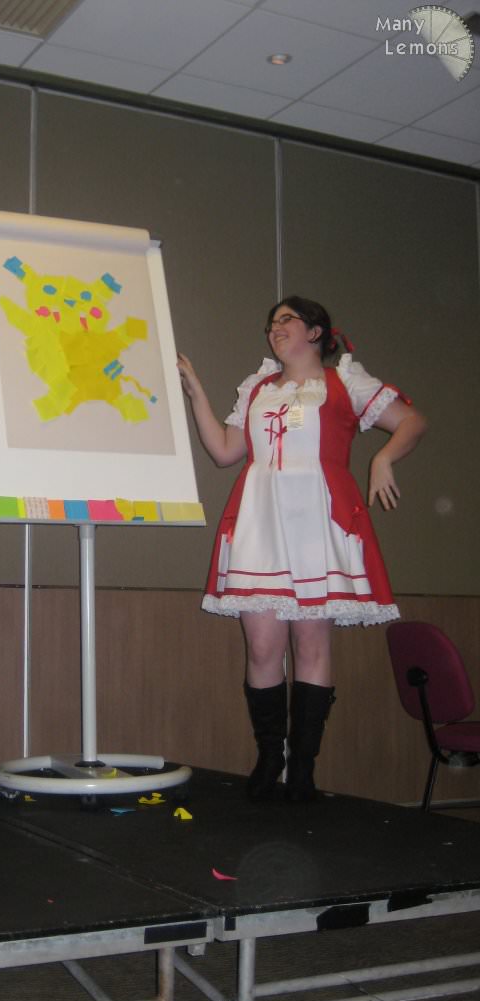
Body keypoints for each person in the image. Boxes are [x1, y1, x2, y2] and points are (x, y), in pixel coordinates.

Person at [178, 296, 426, 802]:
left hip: (316, 518)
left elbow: (412, 422)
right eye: (272, 323)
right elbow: (224, 451)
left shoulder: (344, 381)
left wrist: (382, 460)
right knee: (262, 648)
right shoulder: (258, 387)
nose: (275, 329)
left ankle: (304, 770)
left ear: (315, 331)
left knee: (312, 646)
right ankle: (270, 758)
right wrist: (196, 393)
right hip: (261, 520)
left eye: (286, 320)